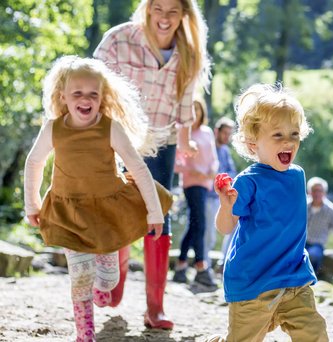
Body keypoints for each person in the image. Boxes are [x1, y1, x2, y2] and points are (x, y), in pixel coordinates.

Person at [23, 56, 172, 341]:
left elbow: (138, 168)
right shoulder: (54, 128)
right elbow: (34, 163)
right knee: (79, 276)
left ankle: (102, 289)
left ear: (102, 97)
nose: (85, 99)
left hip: (106, 214)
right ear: (62, 96)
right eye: (77, 93)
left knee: (107, 281)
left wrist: (155, 212)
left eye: (93, 93)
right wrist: (33, 203)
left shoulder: (109, 127)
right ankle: (85, 333)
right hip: (69, 213)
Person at [93, 0, 210, 329]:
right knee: (118, 211)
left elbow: (185, 103)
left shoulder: (189, 51)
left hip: (162, 142)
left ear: (184, 15)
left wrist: (185, 139)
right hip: (119, 139)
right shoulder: (120, 39)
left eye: (173, 11)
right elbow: (92, 83)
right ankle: (113, 283)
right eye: (158, 8)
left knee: (158, 214)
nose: (164, 17)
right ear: (147, 8)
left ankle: (155, 308)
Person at [207, 84, 329, 342]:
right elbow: (226, 228)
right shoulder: (248, 181)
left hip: (294, 278)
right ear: (253, 144)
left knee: (314, 333)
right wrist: (226, 205)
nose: (288, 141)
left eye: (294, 134)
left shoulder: (298, 175)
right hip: (253, 282)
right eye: (277, 135)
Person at [173, 99, 218, 286]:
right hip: (192, 184)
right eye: (192, 109)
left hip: (206, 183)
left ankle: (181, 266)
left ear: (202, 112)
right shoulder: (183, 133)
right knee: (200, 223)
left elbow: (214, 159)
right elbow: (175, 164)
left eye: (198, 109)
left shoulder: (207, 133)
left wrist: (213, 172)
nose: (195, 112)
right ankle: (201, 266)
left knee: (195, 224)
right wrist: (191, 171)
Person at [204, 117, 237, 266]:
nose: (226, 137)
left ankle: (225, 262)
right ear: (217, 131)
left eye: (229, 134)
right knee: (208, 234)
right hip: (208, 196)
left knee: (232, 228)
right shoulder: (208, 147)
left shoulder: (225, 151)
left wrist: (224, 179)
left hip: (222, 196)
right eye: (224, 133)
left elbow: (232, 172)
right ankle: (205, 265)